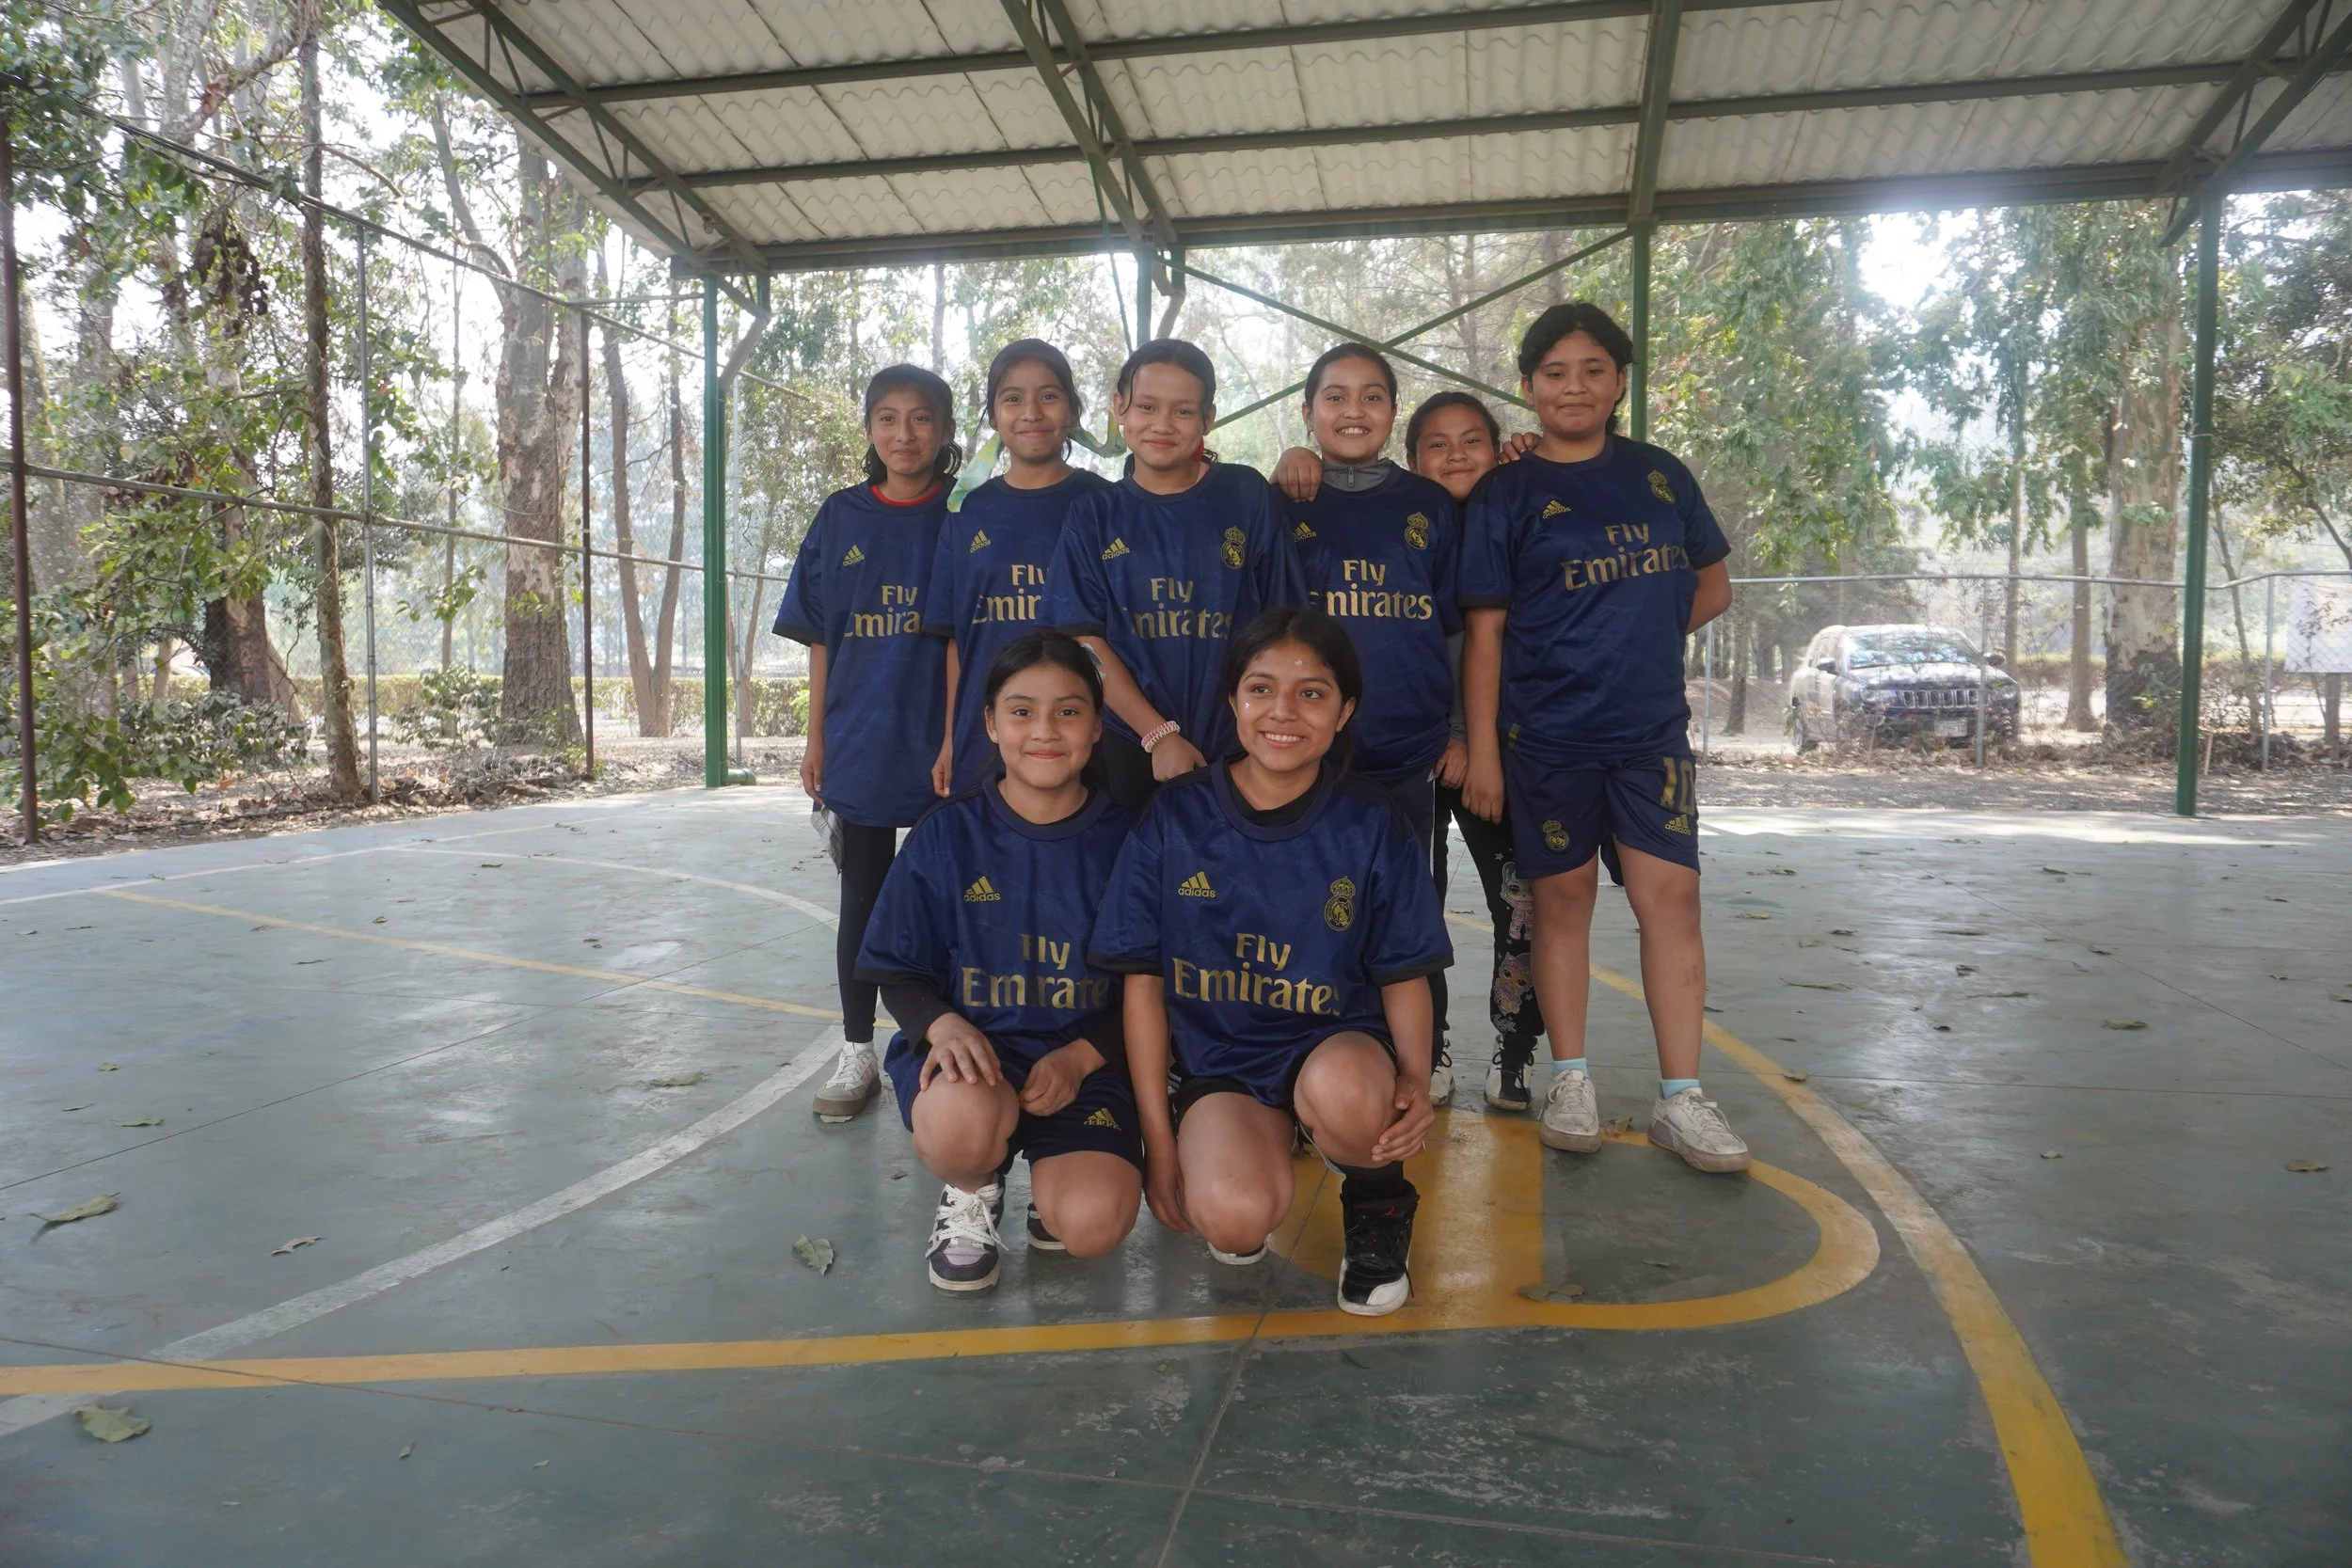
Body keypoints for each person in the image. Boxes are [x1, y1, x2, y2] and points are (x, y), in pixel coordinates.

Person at [1090, 608, 1452, 1317]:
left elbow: (1405, 971)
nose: (1283, 712)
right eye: (1261, 689)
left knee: (1352, 1096)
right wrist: (1159, 1145)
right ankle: (1255, 1142)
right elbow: (1142, 984)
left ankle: (1377, 1205)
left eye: (1312, 693)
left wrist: (1412, 1078)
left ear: (1345, 710)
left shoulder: (1372, 823)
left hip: (1334, 1048)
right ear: (1233, 702)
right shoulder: (1175, 817)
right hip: (1223, 1063)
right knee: (1230, 1216)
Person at [1458, 302, 1746, 1172]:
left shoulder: (1661, 475)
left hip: (1650, 736)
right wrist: (1481, 749)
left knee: (1673, 899)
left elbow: (1714, 586)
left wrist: (1638, 642)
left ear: (1620, 382)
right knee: (1562, 901)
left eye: (1593, 370)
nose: (1574, 386)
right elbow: (1485, 634)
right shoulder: (1506, 492)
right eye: (1554, 372)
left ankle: (1682, 1098)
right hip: (1545, 738)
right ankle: (1571, 1077)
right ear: (1527, 387)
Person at [854, 631, 1140, 1291]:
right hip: (974, 1059)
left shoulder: (1131, 841)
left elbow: (1155, 988)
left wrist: (1083, 1055)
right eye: (1020, 710)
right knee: (960, 1125)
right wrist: (943, 1026)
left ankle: (1054, 1177)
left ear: (1097, 725)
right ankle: (973, 1187)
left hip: (1087, 1065)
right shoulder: (945, 835)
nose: (1044, 730)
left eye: (1068, 711)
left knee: (1092, 1225)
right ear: (989, 723)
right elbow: (896, 966)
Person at [1268, 343, 1464, 1108]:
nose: (1353, 411)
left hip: (1409, 753)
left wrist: (1457, 730)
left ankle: (1426, 1047)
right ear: (1309, 411)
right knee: (1310, 904)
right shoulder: (1285, 501)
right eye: (1335, 397)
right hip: (1312, 756)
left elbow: (1453, 628)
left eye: (1372, 396)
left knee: (1412, 905)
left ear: (1392, 411)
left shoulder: (1428, 506)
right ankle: (1312, 1047)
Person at [774, 364, 959, 1121]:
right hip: (862, 732)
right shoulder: (840, 516)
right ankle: (857, 1047)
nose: (904, 433)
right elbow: (819, 637)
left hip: (945, 739)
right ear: (869, 431)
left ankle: (941, 1050)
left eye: (921, 419)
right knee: (864, 895)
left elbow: (971, 636)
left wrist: (957, 736)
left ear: (947, 432)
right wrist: (815, 737)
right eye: (888, 418)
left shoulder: (968, 511)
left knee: (950, 901)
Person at [1042, 339, 1300, 812]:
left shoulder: (1244, 494)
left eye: (1183, 411)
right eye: (1146, 406)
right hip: (1130, 744)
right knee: (1139, 876)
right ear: (1120, 407)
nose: (1162, 424)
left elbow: (1280, 624)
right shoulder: (1094, 515)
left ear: (1208, 419)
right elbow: (1083, 640)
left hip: (1240, 740)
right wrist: (1157, 735)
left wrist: (1259, 720)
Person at [1400, 392, 1549, 1115]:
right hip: (1418, 751)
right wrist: (1447, 737)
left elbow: (1494, 646)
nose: (1456, 456)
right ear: (1410, 460)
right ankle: (1423, 1050)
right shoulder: (1396, 529)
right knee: (1410, 904)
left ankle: (1515, 1048)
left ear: (1500, 449)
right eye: (1437, 444)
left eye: (1474, 441)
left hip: (1497, 748)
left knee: (1519, 901)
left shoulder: (1515, 517)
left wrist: (1474, 739)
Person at [928, 341, 1112, 795]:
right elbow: (957, 640)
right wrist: (953, 738)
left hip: (1085, 736)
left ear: (1072, 410)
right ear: (993, 415)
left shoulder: (1107, 504)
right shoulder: (966, 512)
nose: (1031, 412)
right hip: (988, 736)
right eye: (1012, 399)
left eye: (1049, 396)